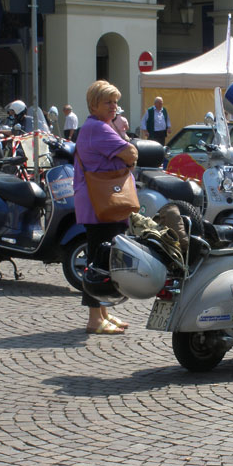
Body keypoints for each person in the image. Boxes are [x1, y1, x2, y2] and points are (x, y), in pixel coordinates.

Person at [74, 80, 138, 334]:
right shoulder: (99, 129)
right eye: (108, 102)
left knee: (102, 258)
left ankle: (102, 312)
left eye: (115, 102)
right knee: (98, 261)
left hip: (98, 203)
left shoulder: (95, 127)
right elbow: (131, 154)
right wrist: (125, 141)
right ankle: (94, 319)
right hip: (101, 203)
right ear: (94, 105)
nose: (114, 107)